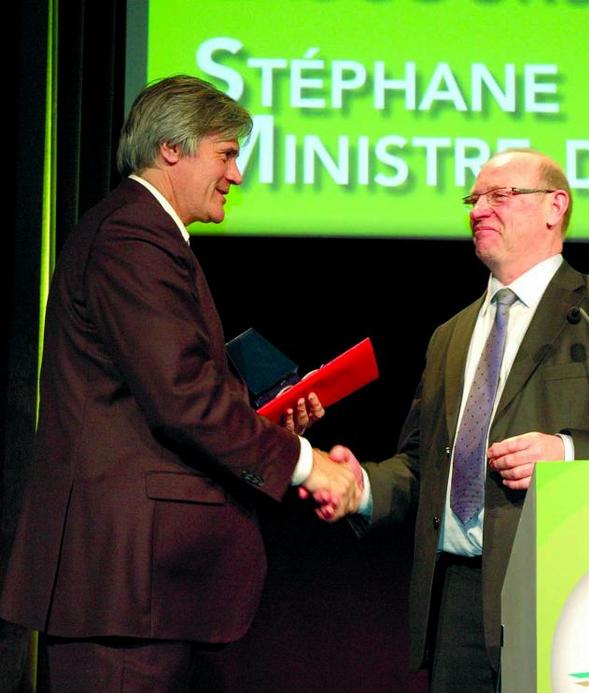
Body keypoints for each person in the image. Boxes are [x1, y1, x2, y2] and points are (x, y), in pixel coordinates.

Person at [0, 75, 359, 690]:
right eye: (225, 154)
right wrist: (306, 463)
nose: (237, 175)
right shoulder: (132, 237)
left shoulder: (148, 235)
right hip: (125, 587)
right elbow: (182, 398)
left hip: (144, 591)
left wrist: (261, 414)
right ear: (172, 148)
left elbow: (154, 391)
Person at [322, 149, 589, 692]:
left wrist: (567, 456)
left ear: (555, 207)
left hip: (563, 589)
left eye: (500, 196)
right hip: (454, 601)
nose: (480, 209)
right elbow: (420, 465)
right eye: (473, 199)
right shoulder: (450, 336)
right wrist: (361, 486)